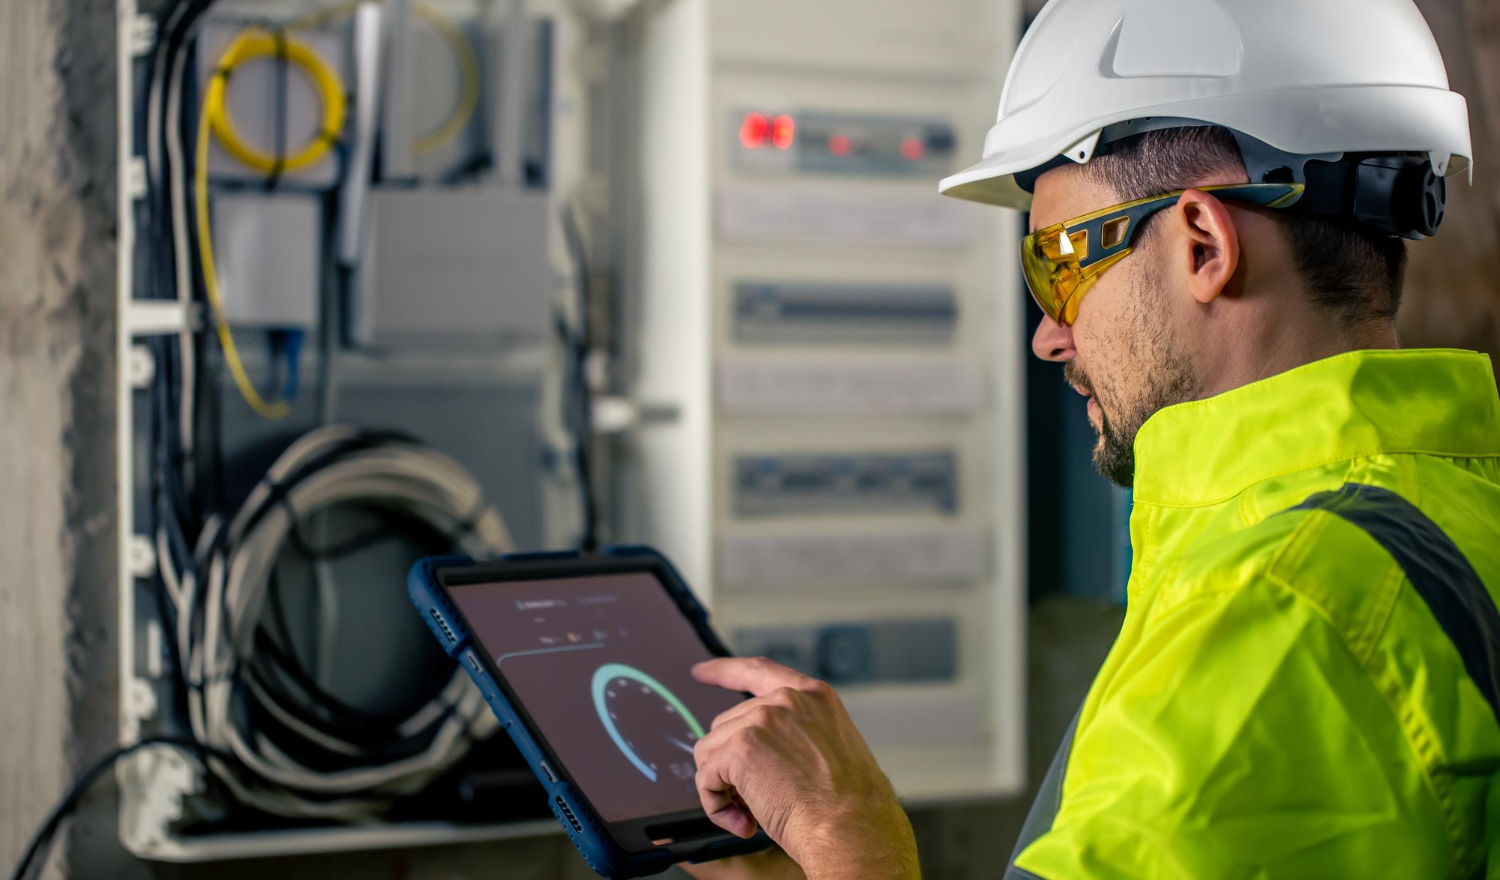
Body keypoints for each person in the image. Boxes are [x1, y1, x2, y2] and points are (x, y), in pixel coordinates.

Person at [682, 1, 1500, 878]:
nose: (1049, 334)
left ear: (1202, 245)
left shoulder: (1277, 616)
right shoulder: (1453, 500)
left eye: (1060, 265)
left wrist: (845, 831)